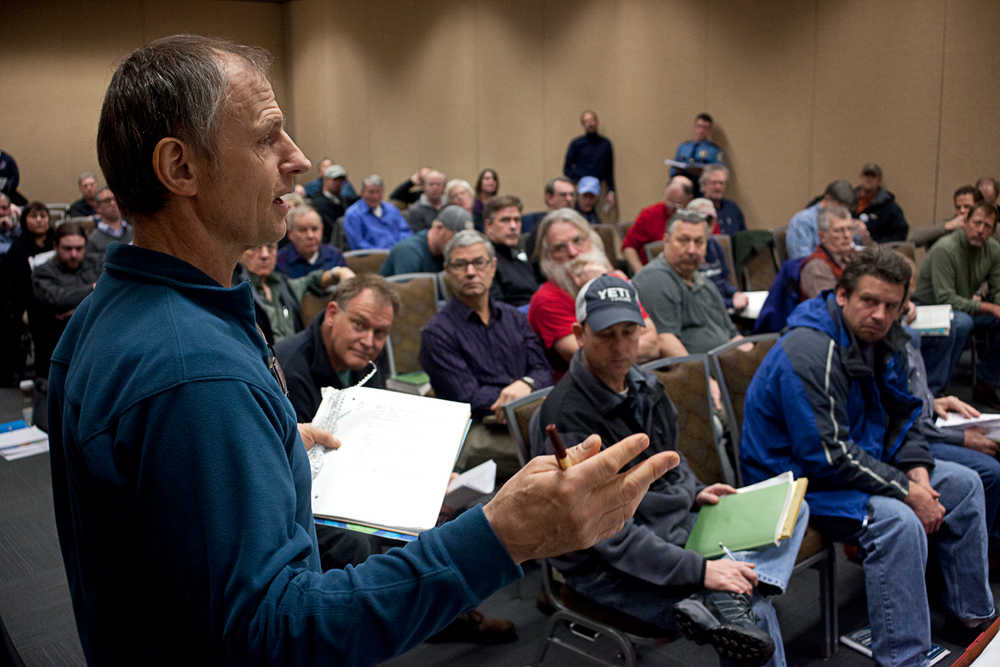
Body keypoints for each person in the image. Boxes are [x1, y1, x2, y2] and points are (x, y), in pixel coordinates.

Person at [48, 34, 679, 665]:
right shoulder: (195, 375)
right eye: (268, 137)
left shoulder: (112, 315)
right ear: (180, 168)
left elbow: (148, 518)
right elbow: (277, 635)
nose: (297, 159)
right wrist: (500, 536)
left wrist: (256, 449)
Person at [531, 275, 807, 667]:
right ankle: (732, 601)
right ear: (579, 334)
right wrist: (699, 572)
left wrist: (695, 489)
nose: (620, 347)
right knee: (755, 614)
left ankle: (728, 601)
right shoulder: (568, 416)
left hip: (675, 527)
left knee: (797, 509)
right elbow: (609, 536)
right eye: (606, 334)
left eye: (629, 333)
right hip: (608, 566)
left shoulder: (644, 384)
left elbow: (670, 454)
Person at [741, 247, 995, 666]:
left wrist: (920, 475)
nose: (879, 314)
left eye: (891, 306)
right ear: (842, 295)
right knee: (898, 522)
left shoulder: (882, 338)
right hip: (797, 482)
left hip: (856, 459)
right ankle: (903, 657)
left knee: (964, 486)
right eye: (869, 302)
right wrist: (908, 492)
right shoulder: (811, 348)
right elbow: (827, 453)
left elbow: (906, 412)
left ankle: (973, 620)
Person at [420, 230, 553, 481]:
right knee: (548, 456)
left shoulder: (514, 317)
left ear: (493, 267)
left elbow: (543, 370)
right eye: (461, 265)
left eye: (478, 263)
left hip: (530, 416)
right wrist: (514, 399)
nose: (471, 272)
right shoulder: (436, 333)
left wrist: (526, 385)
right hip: (479, 427)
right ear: (447, 272)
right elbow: (467, 396)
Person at [528, 208, 660, 378]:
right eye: (560, 248)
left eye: (578, 240)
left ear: (591, 240)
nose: (573, 252)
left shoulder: (612, 279)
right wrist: (593, 287)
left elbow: (653, 343)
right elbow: (592, 360)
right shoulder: (546, 299)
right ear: (548, 257)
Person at [913, 201, 1000, 402]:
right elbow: (946, 299)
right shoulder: (946, 248)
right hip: (928, 308)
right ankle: (934, 391)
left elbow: (998, 288)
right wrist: (990, 307)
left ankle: (986, 382)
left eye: (987, 226)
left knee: (980, 319)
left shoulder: (993, 250)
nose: (980, 230)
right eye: (977, 223)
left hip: (962, 307)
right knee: (961, 323)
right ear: (965, 222)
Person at [632, 209, 742, 358]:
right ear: (666, 241)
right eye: (683, 240)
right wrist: (705, 380)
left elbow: (733, 335)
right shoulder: (654, 279)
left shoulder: (704, 282)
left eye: (699, 242)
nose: (692, 250)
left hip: (729, 366)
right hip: (699, 375)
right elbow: (665, 341)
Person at [237, 239, 353, 345]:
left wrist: (339, 272)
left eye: (271, 247)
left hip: (292, 357)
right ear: (240, 252)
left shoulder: (284, 285)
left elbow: (313, 280)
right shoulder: (235, 289)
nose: (265, 255)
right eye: (255, 248)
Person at [31, 222, 102, 378]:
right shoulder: (43, 271)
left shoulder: (96, 264)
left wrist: (78, 309)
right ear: (55, 247)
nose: (74, 254)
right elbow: (58, 299)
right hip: (57, 343)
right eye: (67, 249)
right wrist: (94, 289)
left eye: (79, 248)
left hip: (95, 342)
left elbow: (111, 295)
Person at [621, 174, 693, 274]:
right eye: (669, 201)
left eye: (677, 204)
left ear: (689, 199)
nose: (671, 208)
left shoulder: (694, 217)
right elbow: (628, 247)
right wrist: (640, 271)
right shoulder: (649, 214)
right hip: (651, 271)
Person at [688, 197, 748, 311]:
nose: (705, 226)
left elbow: (724, 280)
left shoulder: (714, 244)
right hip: (704, 311)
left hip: (724, 307)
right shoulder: (687, 252)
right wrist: (730, 303)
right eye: (700, 220)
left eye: (709, 221)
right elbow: (696, 297)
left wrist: (735, 293)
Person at [378, 205, 473, 276]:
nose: (459, 244)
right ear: (439, 227)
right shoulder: (408, 251)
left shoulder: (446, 253)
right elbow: (406, 296)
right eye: (455, 238)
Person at [482, 194, 538, 307]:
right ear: (488, 225)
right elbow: (496, 311)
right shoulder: (484, 262)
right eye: (505, 220)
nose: (513, 226)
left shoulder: (521, 254)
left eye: (517, 220)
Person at [785, 179, 857, 260]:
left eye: (847, 208)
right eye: (840, 206)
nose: (843, 211)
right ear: (827, 199)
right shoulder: (802, 221)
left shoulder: (843, 218)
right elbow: (800, 259)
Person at [563, 110, 615, 217]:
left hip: (597, 189)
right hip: (580, 187)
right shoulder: (576, 144)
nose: (590, 124)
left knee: (596, 218)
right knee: (579, 216)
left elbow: (609, 171)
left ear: (597, 122)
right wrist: (576, 183)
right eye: (586, 121)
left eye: (592, 120)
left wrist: (611, 191)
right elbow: (566, 169)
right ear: (583, 125)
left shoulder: (606, 144)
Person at [798, 205, 854, 299]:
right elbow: (831, 307)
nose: (847, 235)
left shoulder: (856, 256)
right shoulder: (816, 267)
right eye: (839, 231)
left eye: (850, 229)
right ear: (822, 237)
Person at [276, 204, 347, 278]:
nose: (310, 235)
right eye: (302, 230)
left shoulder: (335, 256)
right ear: (290, 234)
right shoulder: (279, 261)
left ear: (322, 229)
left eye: (315, 229)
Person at [342, 174, 411, 250]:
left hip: (398, 254)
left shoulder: (392, 209)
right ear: (362, 193)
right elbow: (358, 244)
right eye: (371, 192)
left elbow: (406, 232)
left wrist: (400, 249)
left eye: (378, 192)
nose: (375, 196)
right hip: (373, 258)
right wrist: (382, 254)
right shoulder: (353, 214)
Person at [854, 162, 908, 243]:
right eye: (866, 175)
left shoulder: (890, 207)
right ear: (861, 177)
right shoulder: (850, 200)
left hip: (875, 251)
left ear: (879, 181)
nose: (868, 179)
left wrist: (877, 245)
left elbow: (900, 235)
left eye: (873, 176)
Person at [669, 113, 724, 184]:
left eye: (705, 128)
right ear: (695, 127)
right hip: (683, 184)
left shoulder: (714, 150)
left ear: (709, 130)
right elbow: (673, 169)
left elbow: (719, 172)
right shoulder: (683, 147)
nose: (701, 130)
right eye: (699, 126)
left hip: (702, 187)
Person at [85, 187, 133, 259]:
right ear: (98, 208)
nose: (113, 203)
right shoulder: (92, 240)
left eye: (115, 199)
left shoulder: (134, 232)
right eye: (107, 201)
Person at [307, 164, 349, 245]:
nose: (339, 183)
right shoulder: (317, 203)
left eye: (341, 180)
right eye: (336, 179)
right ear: (325, 180)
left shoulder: (344, 202)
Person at [700, 164, 745, 236]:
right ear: (704, 185)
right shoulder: (697, 207)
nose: (718, 187)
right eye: (714, 183)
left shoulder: (733, 208)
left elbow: (743, 236)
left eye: (721, 183)